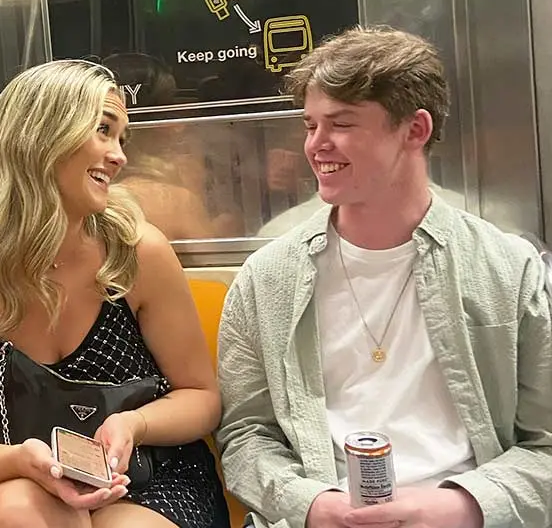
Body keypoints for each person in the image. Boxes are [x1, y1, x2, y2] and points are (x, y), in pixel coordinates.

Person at [216, 27, 552, 528]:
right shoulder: (267, 277)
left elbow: (545, 443)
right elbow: (245, 436)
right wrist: (311, 505)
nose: (316, 145)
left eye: (342, 123)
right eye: (310, 125)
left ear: (415, 130)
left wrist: (461, 505)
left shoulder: (508, 267)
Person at [0, 59, 229, 528]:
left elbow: (201, 397)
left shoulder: (137, 253)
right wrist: (23, 462)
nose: (120, 156)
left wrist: (134, 424)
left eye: (121, 138)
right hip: (21, 482)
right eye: (103, 131)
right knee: (23, 509)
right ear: (43, 136)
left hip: (152, 480)